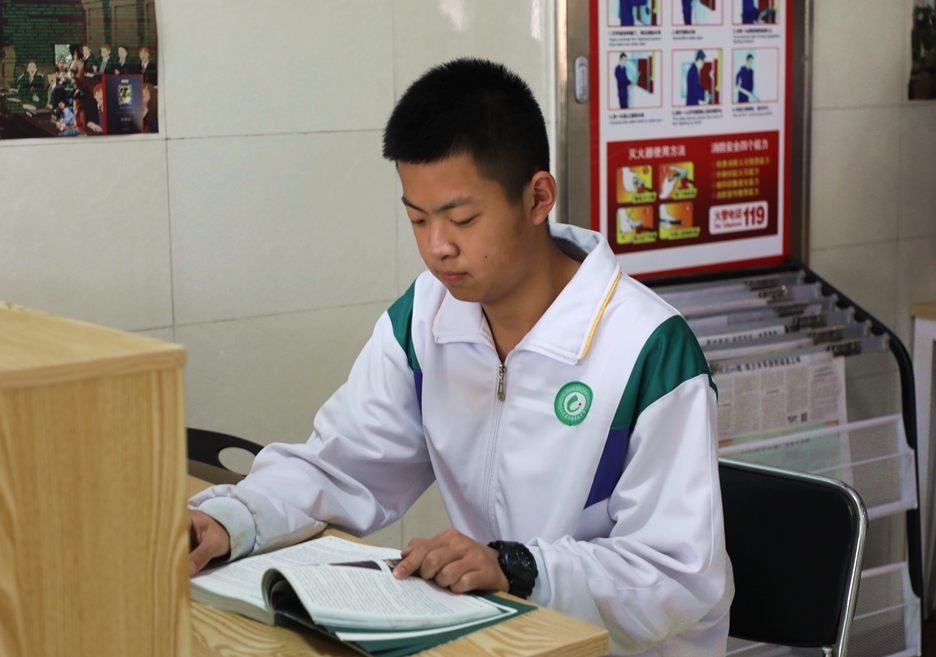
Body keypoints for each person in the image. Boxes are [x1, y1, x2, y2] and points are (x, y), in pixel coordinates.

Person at [186, 58, 732, 656]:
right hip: (501, 635)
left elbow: (679, 578)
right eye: (417, 220)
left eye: (462, 219)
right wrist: (233, 519)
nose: (437, 247)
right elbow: (342, 467)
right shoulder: (427, 317)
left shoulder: (647, 349)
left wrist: (518, 568)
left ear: (538, 197)